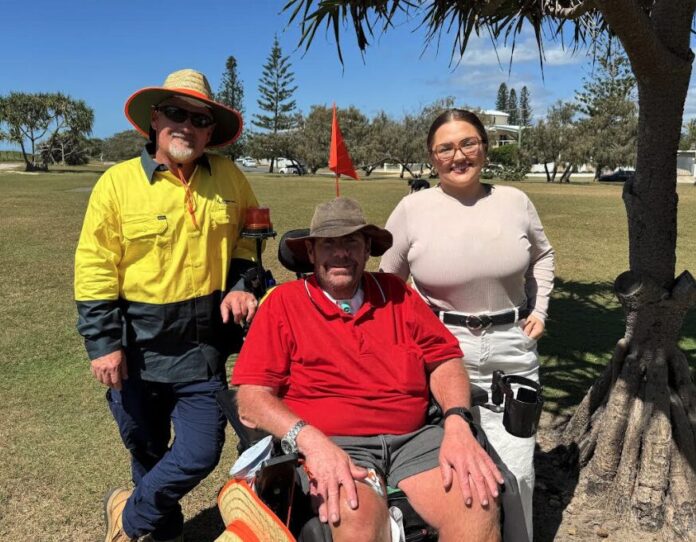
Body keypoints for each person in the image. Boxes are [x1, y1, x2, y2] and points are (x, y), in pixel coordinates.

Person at [232, 197, 504, 542]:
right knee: (354, 516)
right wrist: (311, 441)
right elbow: (251, 399)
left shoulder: (397, 294)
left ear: (367, 250)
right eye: (328, 243)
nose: (341, 253)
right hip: (334, 442)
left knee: (477, 504)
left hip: (415, 439)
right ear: (311, 252)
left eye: (351, 242)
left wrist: (457, 422)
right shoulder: (284, 303)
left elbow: (444, 359)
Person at [75, 69, 263, 542]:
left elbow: (248, 240)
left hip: (201, 347)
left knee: (200, 450)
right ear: (155, 119)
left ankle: (129, 519)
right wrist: (103, 343)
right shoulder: (116, 184)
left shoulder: (230, 177)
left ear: (210, 131)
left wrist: (241, 284)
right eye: (177, 113)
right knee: (147, 449)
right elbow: (95, 266)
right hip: (135, 349)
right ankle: (164, 533)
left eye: (200, 119)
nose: (187, 126)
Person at [379, 109, 555, 542]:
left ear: (485, 148)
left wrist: (540, 310)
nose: (458, 156)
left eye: (468, 144)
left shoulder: (515, 201)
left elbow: (543, 256)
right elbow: (388, 284)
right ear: (431, 157)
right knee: (452, 467)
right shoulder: (412, 209)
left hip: (512, 348)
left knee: (518, 471)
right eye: (445, 148)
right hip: (440, 353)